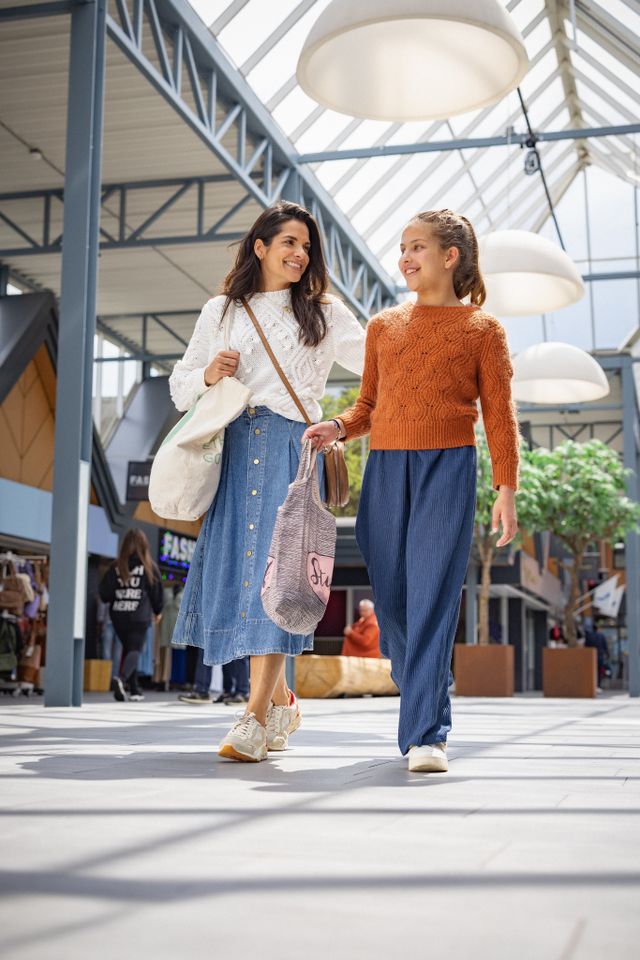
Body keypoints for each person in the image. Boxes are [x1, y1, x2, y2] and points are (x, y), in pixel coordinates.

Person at [304, 209, 519, 774]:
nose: (405, 256)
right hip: (384, 468)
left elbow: (499, 415)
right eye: (402, 246)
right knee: (393, 595)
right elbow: (369, 405)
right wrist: (339, 427)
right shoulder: (383, 327)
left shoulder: (483, 330)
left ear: (450, 257)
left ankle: (427, 734)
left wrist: (506, 487)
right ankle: (423, 676)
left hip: (448, 466)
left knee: (433, 592)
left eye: (417, 246)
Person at [169, 201, 365, 761]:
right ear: (260, 247)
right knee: (245, 574)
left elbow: (377, 358)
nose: (300, 255)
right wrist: (209, 374)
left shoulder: (323, 311)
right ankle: (282, 705)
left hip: (292, 449)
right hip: (235, 447)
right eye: (289, 243)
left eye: (307, 246)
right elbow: (183, 383)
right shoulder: (222, 311)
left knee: (275, 575)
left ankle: (254, 716)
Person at [99, 528, 163, 702]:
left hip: (118, 616)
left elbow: (104, 594)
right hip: (139, 616)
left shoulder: (115, 567)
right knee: (135, 649)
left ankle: (134, 690)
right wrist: (158, 611)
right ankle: (121, 678)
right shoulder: (149, 567)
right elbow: (157, 593)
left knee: (129, 649)